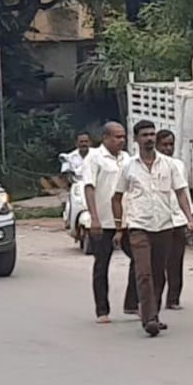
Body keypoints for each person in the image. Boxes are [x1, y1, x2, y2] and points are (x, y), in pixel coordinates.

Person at [112, 120, 193, 337]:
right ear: (136, 139)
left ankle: (153, 314)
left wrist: (189, 219)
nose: (149, 138)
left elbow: (180, 193)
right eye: (145, 135)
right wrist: (119, 226)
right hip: (138, 226)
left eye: (152, 134)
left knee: (159, 274)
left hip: (164, 226)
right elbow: (117, 197)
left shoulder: (169, 165)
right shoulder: (129, 167)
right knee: (144, 273)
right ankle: (148, 318)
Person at [82, 122, 137, 324]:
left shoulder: (128, 159)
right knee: (102, 265)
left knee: (138, 260)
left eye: (123, 137)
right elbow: (89, 188)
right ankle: (102, 310)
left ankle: (132, 303)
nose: (121, 141)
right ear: (105, 138)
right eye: (117, 137)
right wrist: (94, 218)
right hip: (103, 221)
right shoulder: (94, 158)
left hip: (126, 221)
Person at [155, 129, 192, 310]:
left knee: (176, 261)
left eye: (171, 145)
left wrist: (189, 218)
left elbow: (183, 192)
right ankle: (154, 299)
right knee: (158, 262)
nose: (168, 148)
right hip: (158, 219)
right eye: (165, 145)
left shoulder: (178, 164)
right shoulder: (150, 165)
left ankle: (174, 298)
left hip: (178, 218)